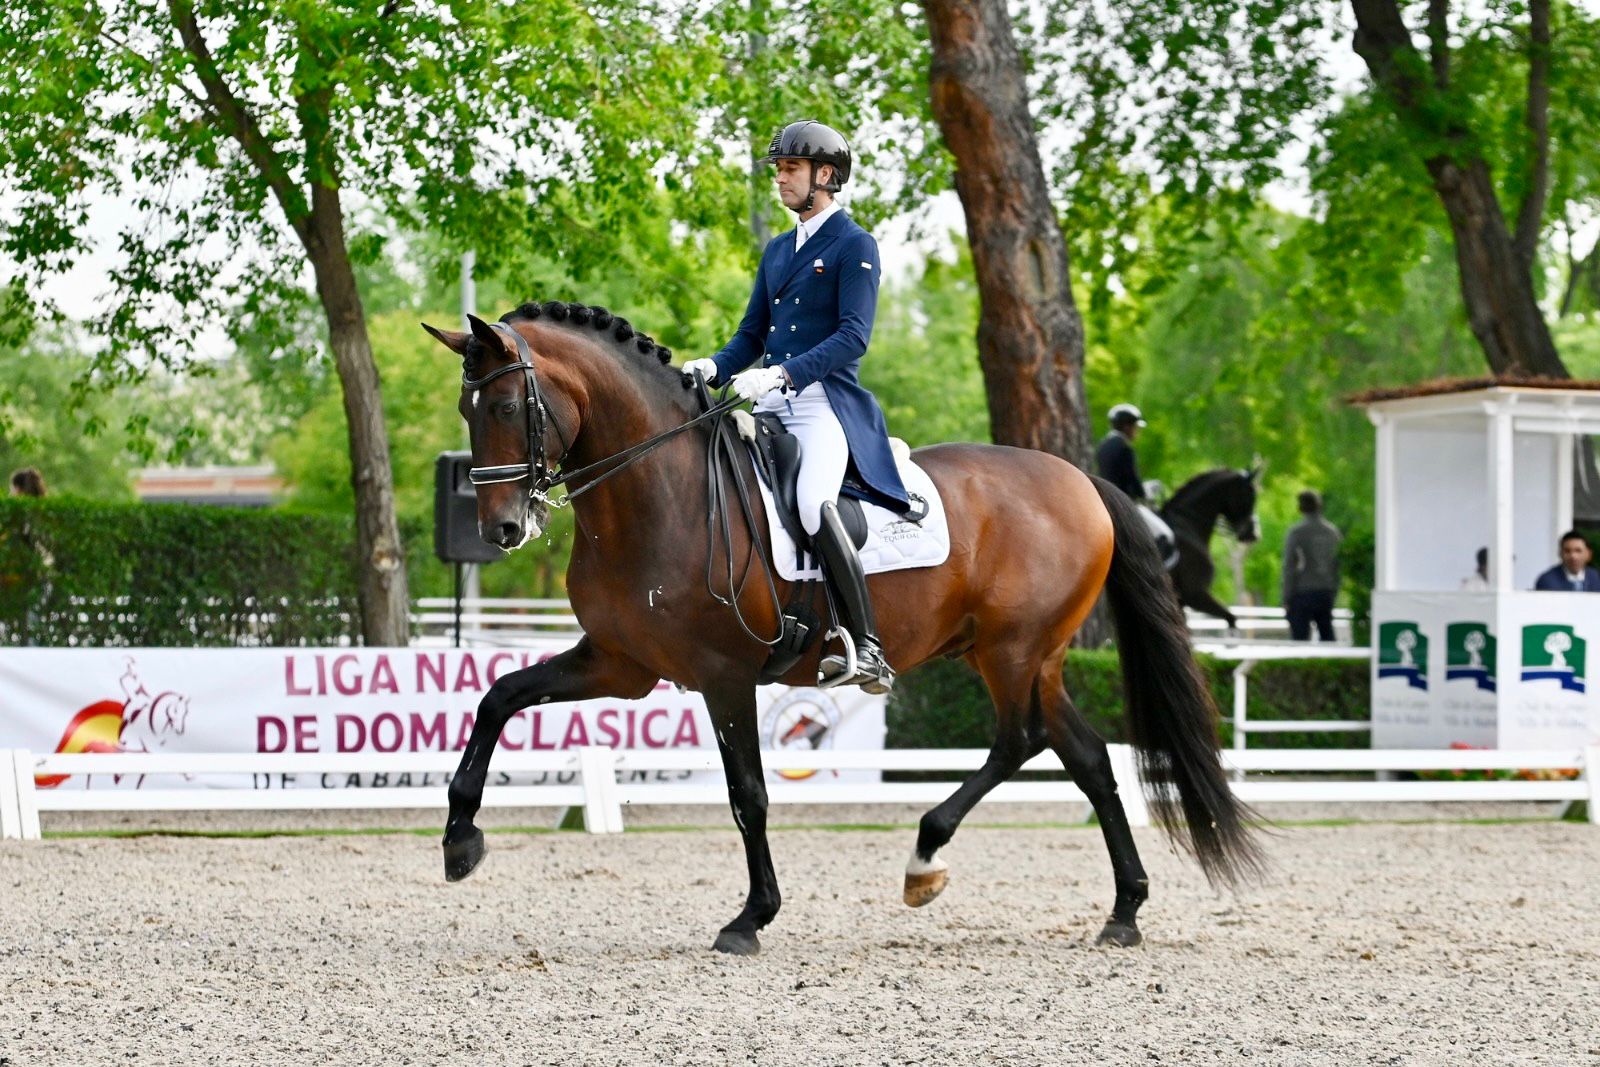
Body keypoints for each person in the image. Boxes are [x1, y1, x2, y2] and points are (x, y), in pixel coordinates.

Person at [681, 119, 908, 694]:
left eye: (790, 169)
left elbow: (855, 336)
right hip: (768, 404)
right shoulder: (779, 249)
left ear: (824, 176)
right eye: (778, 169)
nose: (779, 179)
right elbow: (751, 333)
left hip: (821, 404)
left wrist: (784, 374)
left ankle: (868, 646)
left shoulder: (855, 245)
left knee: (811, 504)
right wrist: (715, 366)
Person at [1094, 403, 1176, 566]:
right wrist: (1146, 492)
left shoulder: (1102, 447)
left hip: (1106, 502)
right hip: (1125, 504)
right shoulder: (1125, 448)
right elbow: (1134, 484)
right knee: (1165, 534)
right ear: (1126, 427)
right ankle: (1156, 573)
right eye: (1135, 427)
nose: (1136, 432)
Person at [1282, 490, 1342, 642]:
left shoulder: (1296, 532)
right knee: (1327, 637)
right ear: (1319, 506)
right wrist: (1333, 590)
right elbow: (1337, 565)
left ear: (1300, 507)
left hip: (1302, 592)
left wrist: (1286, 596)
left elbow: (1289, 566)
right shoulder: (1332, 532)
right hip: (1325, 592)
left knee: (1300, 641)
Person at [1533, 531, 1600, 592]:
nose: (1573, 556)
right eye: (1567, 551)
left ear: (1588, 554)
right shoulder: (1547, 580)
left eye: (1578, 551)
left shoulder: (1596, 577)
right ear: (1560, 554)